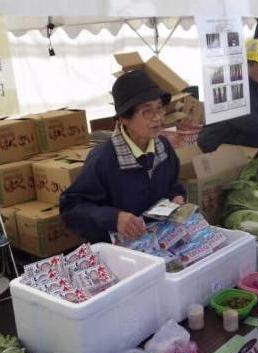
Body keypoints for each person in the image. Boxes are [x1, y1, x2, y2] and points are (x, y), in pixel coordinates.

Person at [60, 70, 186, 243]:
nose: (158, 118)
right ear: (124, 119)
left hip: (159, 240)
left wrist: (177, 197)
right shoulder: (103, 159)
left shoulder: (163, 148)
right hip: (120, 251)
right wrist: (113, 218)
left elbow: (174, 184)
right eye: (147, 111)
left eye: (159, 109)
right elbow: (71, 209)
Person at [197, 39, 258, 155]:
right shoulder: (231, 86)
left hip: (249, 150)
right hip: (219, 150)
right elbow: (247, 120)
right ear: (246, 65)